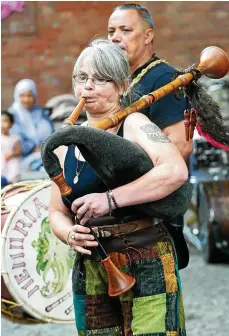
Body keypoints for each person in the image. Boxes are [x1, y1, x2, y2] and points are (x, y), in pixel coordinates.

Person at [48, 39, 188, 335]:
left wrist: (110, 199)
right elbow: (56, 212)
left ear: (123, 85)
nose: (88, 87)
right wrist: (68, 233)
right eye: (82, 78)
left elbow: (175, 171)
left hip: (145, 252)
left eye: (100, 79)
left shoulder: (135, 124)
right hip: (92, 265)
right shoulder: (64, 144)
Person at [108, 3, 193, 160]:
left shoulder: (165, 79)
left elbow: (181, 145)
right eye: (111, 32)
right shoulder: (122, 79)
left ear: (147, 36)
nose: (115, 38)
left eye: (125, 30)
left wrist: (135, 178)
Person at [8, 79, 54, 171]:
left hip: (45, 153)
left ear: (35, 96)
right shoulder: (12, 115)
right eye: (22, 96)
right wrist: (33, 147)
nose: (26, 99)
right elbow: (14, 138)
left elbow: (52, 133)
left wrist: (45, 148)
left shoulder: (41, 112)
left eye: (30, 95)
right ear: (17, 96)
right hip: (23, 157)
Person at [1, 110, 22, 188]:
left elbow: (19, 151)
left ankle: (11, 182)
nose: (2, 124)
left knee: (12, 174)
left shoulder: (14, 138)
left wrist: (12, 154)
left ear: (11, 124)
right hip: (2, 161)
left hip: (11, 161)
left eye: (5, 121)